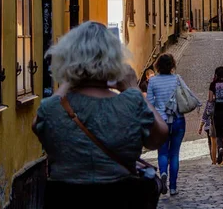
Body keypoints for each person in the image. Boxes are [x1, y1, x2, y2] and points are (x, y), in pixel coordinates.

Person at [32, 21, 168, 209]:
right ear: (114, 58)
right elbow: (158, 137)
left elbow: (37, 126)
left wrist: (67, 82)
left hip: (64, 201)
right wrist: (133, 88)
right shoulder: (131, 103)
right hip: (121, 199)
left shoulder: (51, 108)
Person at [147, 53, 197, 196]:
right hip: (178, 120)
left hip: (161, 122)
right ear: (172, 65)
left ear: (158, 66)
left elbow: (149, 103)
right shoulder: (177, 79)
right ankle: (173, 187)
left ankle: (163, 173)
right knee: (174, 154)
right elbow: (187, 95)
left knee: (162, 152)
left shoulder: (153, 82)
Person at [198, 100, 217, 164]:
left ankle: (213, 159)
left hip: (210, 125)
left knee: (211, 143)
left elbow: (205, 115)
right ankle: (218, 158)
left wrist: (201, 127)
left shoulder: (210, 102)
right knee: (218, 141)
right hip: (218, 124)